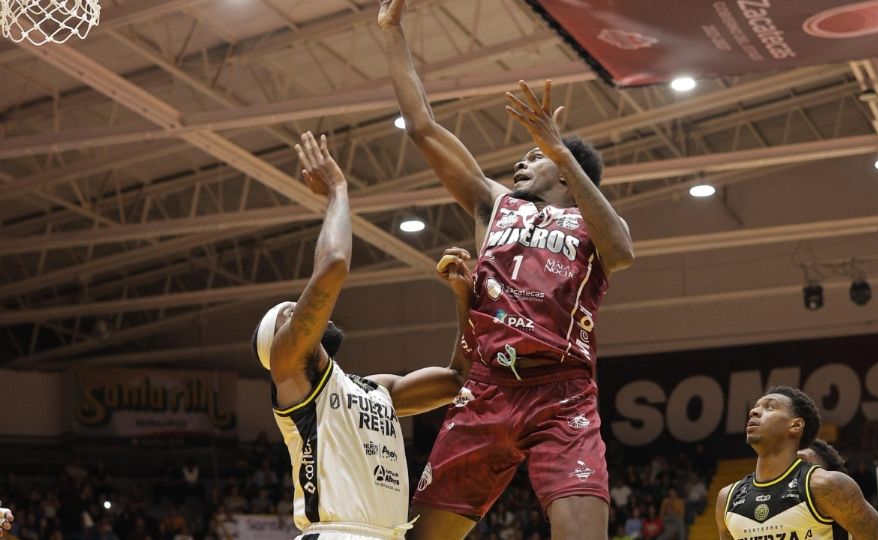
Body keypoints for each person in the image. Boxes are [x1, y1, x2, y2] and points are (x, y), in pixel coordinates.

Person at [378, 1, 635, 538]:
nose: (521, 162)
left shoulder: (591, 222)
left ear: (566, 172)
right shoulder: (496, 204)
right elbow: (423, 128)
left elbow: (623, 251)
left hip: (561, 394)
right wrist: (392, 32)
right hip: (488, 386)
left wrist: (559, 151)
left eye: (532, 156)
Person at [252, 131, 473, 539]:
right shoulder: (290, 372)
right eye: (291, 313)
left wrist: (464, 299)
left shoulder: (376, 390)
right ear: (278, 344)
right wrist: (337, 190)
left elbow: (458, 380)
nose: (301, 312)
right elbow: (333, 264)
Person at [716, 386, 878, 540]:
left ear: (796, 425)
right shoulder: (727, 498)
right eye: (755, 407)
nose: (753, 412)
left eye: (769, 407)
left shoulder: (827, 486)